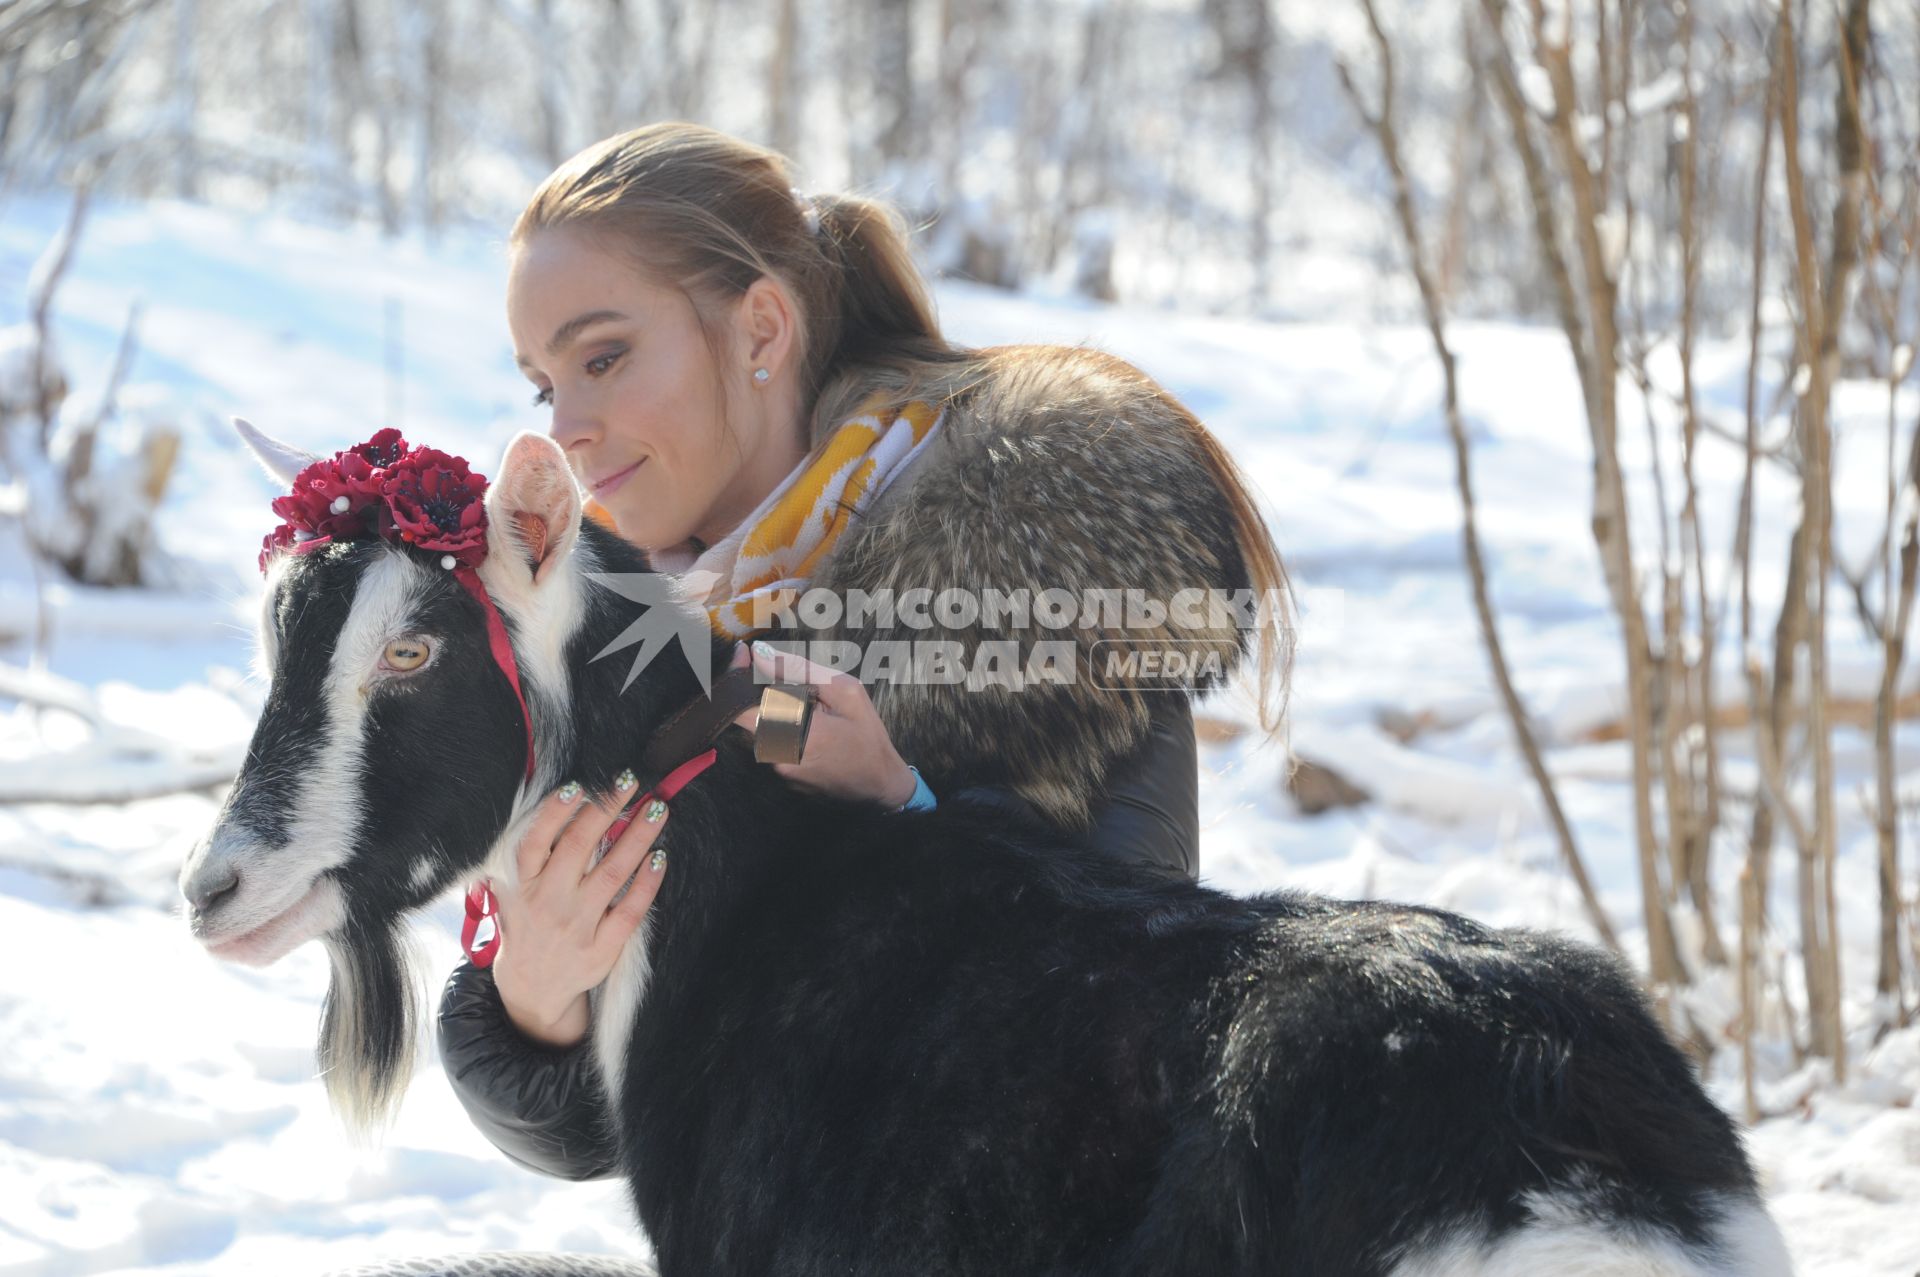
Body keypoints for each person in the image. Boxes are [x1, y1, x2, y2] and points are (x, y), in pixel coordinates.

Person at [435, 121, 1293, 1185]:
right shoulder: (626, 637)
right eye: (541, 384)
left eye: (603, 358)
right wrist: (538, 996)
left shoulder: (1036, 564)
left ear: (760, 327)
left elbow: (1127, 1029)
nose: (565, 426)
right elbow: (609, 1137)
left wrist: (903, 810)